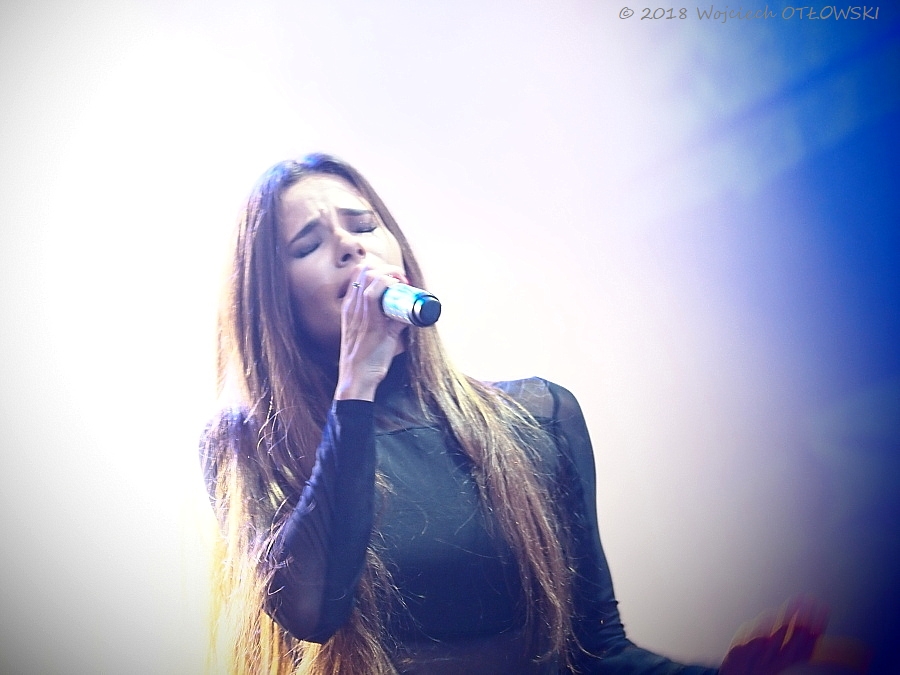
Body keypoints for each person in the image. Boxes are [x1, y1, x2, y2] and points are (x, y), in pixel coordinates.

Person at [200, 154, 828, 675]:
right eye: (309, 244)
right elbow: (312, 611)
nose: (348, 245)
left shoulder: (537, 417)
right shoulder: (247, 446)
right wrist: (355, 385)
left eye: (363, 224)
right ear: (274, 301)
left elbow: (596, 651)